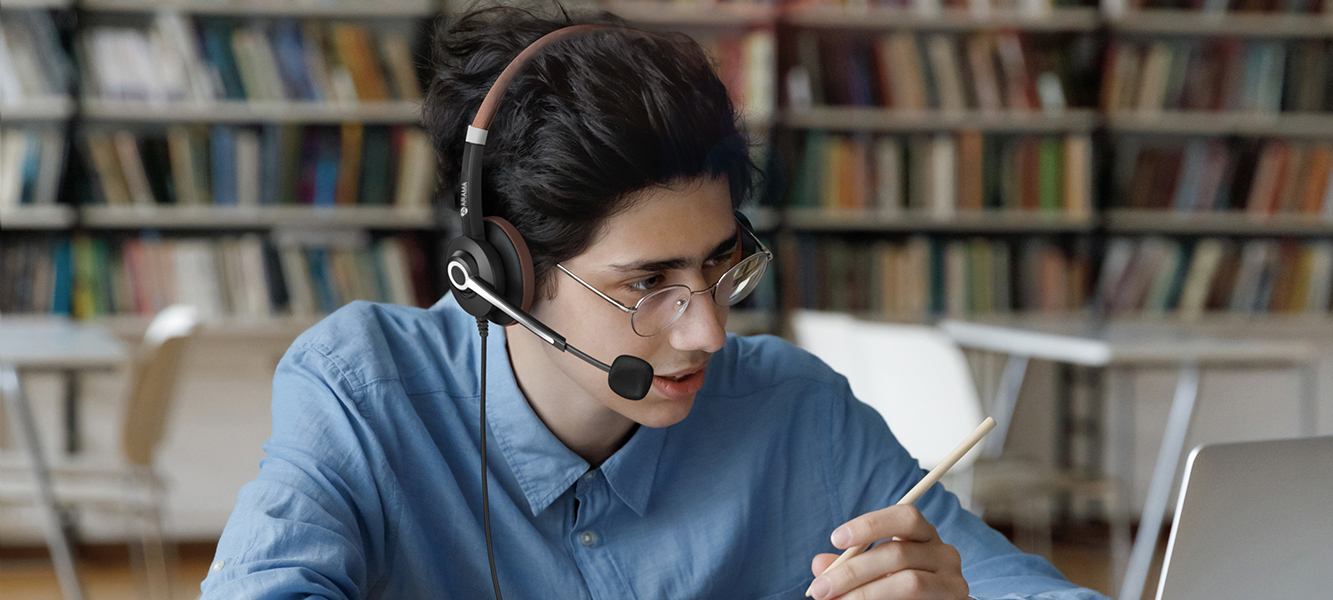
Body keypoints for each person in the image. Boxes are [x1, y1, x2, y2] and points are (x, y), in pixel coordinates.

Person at [200, 3, 1106, 599]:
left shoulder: (799, 414)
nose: (710, 328)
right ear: (502, 275)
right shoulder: (361, 392)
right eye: (647, 283)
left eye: (720, 265)